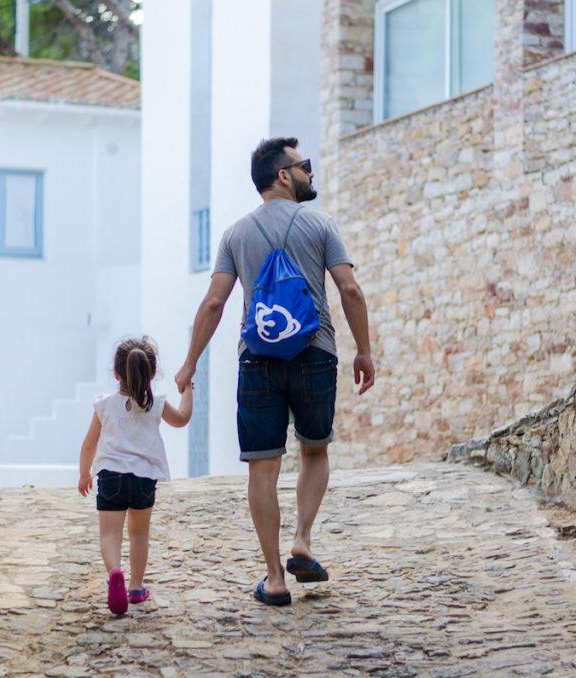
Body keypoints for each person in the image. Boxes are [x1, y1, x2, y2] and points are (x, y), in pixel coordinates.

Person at [174, 137, 375, 606]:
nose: (310, 173)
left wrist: (188, 364)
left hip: (258, 360)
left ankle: (275, 578)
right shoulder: (321, 225)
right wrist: (364, 350)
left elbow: (214, 303)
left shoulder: (235, 234)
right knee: (314, 450)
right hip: (315, 352)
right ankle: (301, 541)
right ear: (283, 176)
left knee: (262, 468)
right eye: (303, 166)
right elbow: (350, 290)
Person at [78, 337, 193, 615]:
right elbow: (182, 419)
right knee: (139, 533)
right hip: (143, 479)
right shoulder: (157, 405)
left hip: (111, 478)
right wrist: (188, 389)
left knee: (110, 534)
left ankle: (115, 572)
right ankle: (136, 587)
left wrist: (84, 474)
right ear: (152, 373)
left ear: (117, 374)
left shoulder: (104, 405)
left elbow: (90, 443)